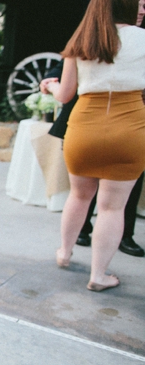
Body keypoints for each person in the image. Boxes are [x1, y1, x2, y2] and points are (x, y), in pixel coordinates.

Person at [42, 0, 145, 291]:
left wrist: (49, 86)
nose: (144, 8)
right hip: (130, 130)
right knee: (112, 208)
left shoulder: (83, 39)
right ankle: (99, 275)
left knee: (79, 195)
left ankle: (64, 253)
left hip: (84, 128)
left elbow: (64, 95)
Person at [42, 60, 145, 258]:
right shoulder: (89, 38)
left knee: (93, 195)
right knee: (102, 201)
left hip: (121, 123)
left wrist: (52, 86)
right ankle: (84, 242)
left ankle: (122, 237)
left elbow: (63, 93)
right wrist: (51, 80)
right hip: (102, 122)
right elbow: (62, 69)